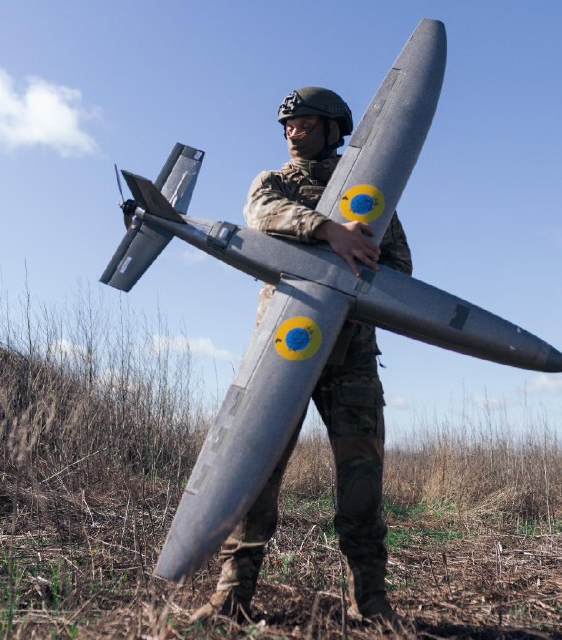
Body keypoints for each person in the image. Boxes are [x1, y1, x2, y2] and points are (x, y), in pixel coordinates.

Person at [190, 87, 412, 625]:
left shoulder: (368, 196)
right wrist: (328, 232)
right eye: (288, 125)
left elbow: (400, 270)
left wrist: (361, 257)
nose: (293, 132)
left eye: (305, 123)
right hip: (284, 348)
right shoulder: (274, 182)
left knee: (362, 483)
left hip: (351, 355)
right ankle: (231, 597)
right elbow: (261, 215)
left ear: (334, 129)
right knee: (255, 473)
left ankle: (371, 599)